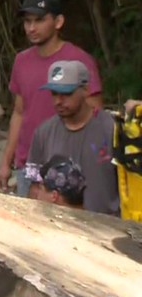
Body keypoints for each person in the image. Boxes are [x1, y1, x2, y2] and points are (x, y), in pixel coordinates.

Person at [0, 0, 103, 196]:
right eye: (27, 21)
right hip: (29, 164)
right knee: (30, 225)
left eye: (39, 20)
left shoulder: (79, 61)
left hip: (69, 164)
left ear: (58, 21)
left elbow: (95, 113)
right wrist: (6, 163)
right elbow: (19, 113)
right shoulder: (21, 61)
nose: (31, 28)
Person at [24, 60, 120, 215]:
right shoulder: (43, 133)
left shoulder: (111, 129)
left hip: (107, 229)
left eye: (67, 94)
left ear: (86, 90)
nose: (58, 101)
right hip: (61, 229)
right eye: (54, 93)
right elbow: (35, 187)